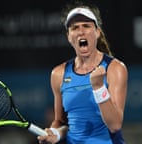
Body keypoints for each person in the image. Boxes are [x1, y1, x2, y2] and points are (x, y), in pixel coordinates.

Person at [38, 2, 128, 144]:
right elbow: (60, 121)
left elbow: (115, 125)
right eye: (75, 28)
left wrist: (99, 87)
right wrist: (56, 133)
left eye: (86, 26)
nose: (81, 31)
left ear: (97, 32)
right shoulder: (58, 74)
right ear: (69, 36)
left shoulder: (115, 68)